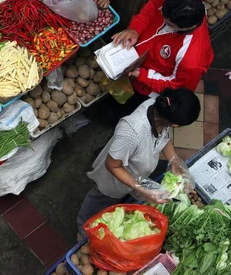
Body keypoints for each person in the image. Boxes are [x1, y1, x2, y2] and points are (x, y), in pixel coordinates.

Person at [77, 88, 200, 237]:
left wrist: (173, 159)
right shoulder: (132, 131)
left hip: (133, 177)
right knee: (98, 201)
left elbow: (163, 137)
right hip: (114, 181)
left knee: (118, 201)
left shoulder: (159, 110)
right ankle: (82, 232)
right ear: (175, 125)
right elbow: (112, 165)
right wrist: (140, 188)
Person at [112, 0, 214, 99]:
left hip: (147, 85)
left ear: (189, 27)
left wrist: (143, 76)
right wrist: (135, 28)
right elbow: (153, 5)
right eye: (163, 17)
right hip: (135, 57)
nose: (164, 23)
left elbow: (176, 88)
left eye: (169, 25)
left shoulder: (192, 61)